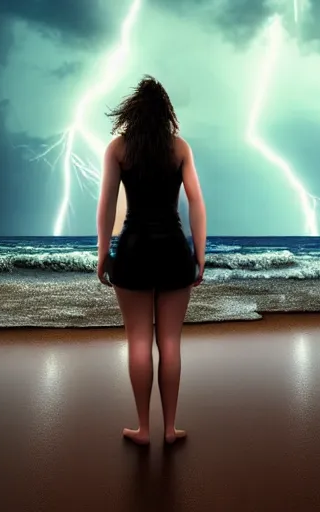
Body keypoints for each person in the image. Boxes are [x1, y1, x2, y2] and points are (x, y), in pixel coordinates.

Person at [95, 75, 207, 445]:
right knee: (170, 344)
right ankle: (171, 429)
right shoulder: (180, 149)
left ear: (133, 113)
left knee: (139, 343)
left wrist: (102, 253)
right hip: (174, 251)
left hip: (133, 251)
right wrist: (200, 253)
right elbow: (196, 202)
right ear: (166, 114)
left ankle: (144, 429)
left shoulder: (118, 149)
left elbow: (107, 204)